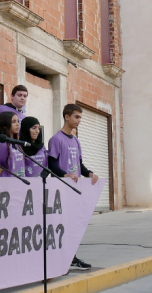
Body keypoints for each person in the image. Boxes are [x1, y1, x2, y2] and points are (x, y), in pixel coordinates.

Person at [48, 104, 99, 269]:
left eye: (80, 118)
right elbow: (52, 165)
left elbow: (80, 166)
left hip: (75, 191)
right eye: (77, 117)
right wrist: (65, 175)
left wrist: (90, 174)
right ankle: (63, 258)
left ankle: (72, 257)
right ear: (67, 116)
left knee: (74, 225)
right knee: (63, 225)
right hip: (62, 190)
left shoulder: (76, 141)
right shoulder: (56, 139)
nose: (79, 121)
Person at [0, 111, 26, 177]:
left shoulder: (16, 142)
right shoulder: (0, 144)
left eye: (18, 121)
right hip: (7, 183)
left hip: (20, 182)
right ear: (5, 125)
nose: (17, 124)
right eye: (13, 122)